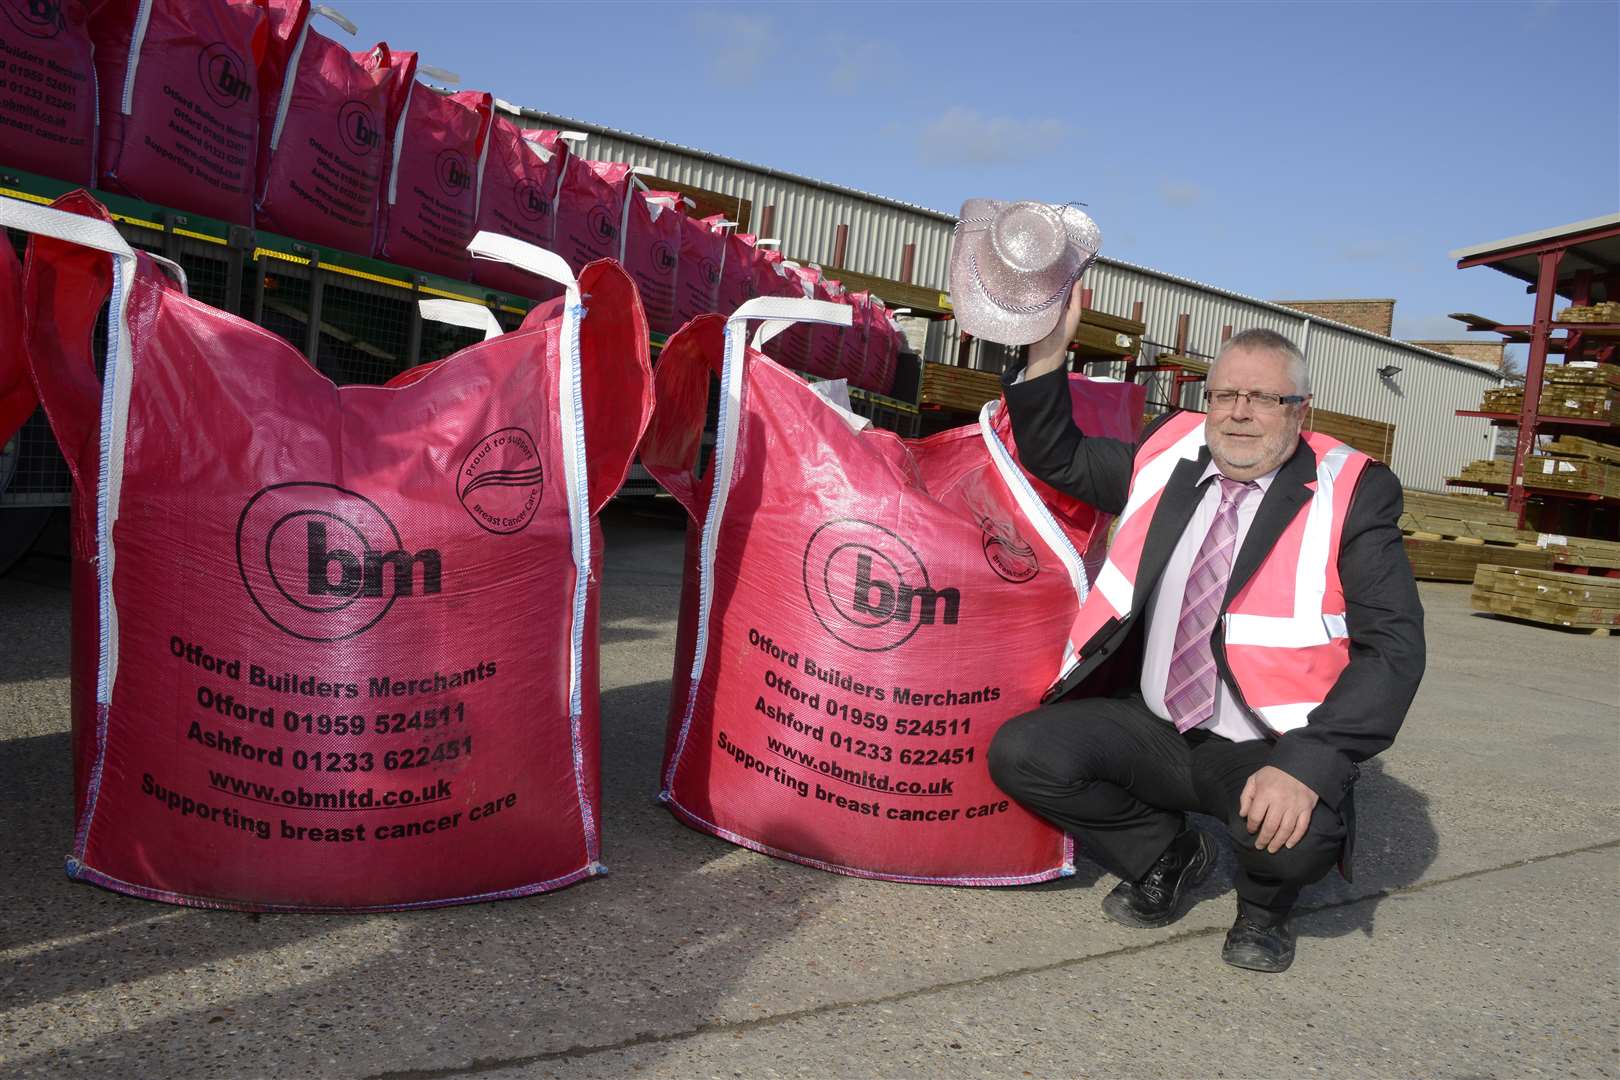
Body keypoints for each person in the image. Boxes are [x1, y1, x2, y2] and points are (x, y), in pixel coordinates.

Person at [985, 285, 1425, 973]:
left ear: (1299, 410)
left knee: (1301, 834)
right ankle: (1167, 853)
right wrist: (1047, 351)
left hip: (1260, 741)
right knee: (1024, 753)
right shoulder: (1170, 452)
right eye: (1224, 395)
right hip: (1155, 724)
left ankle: (1263, 912)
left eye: (1263, 398)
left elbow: (1393, 651)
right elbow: (1059, 456)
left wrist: (1309, 766)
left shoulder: (1352, 489)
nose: (1240, 413)